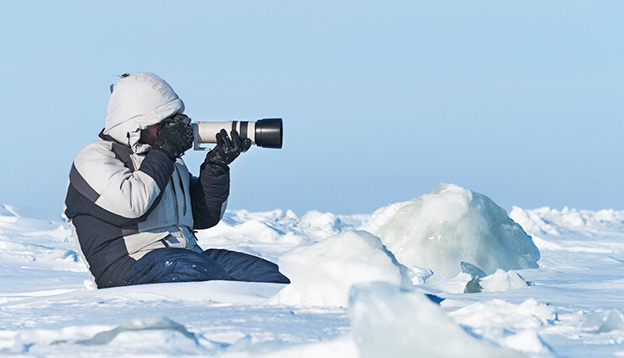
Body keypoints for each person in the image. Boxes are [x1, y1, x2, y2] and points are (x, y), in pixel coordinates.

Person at [64, 72, 290, 288]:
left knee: (269, 278)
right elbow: (133, 205)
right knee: (202, 275)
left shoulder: (164, 160)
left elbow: (203, 217)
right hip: (129, 266)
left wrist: (215, 167)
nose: (171, 127)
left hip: (187, 256)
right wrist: (166, 151)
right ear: (135, 124)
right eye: (163, 121)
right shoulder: (94, 158)